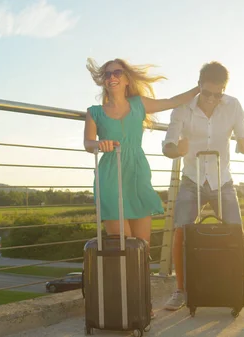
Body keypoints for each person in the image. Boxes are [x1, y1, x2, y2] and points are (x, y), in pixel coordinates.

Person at [83, 57, 199, 318]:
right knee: (122, 245)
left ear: (126, 79)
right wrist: (98, 145)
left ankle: (141, 303)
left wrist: (198, 88)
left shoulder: (139, 104)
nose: (112, 77)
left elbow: (172, 102)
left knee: (142, 247)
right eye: (107, 74)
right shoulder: (94, 112)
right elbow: (87, 142)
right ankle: (126, 305)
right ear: (104, 80)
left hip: (137, 172)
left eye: (117, 72)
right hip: (111, 174)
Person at [161, 61, 244, 311]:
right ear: (199, 85)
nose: (212, 98)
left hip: (222, 179)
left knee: (236, 231)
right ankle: (180, 291)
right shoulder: (182, 109)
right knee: (182, 231)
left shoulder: (233, 105)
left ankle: (231, 286)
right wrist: (175, 151)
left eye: (218, 93)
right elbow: (167, 145)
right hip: (192, 178)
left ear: (224, 89)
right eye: (207, 92)